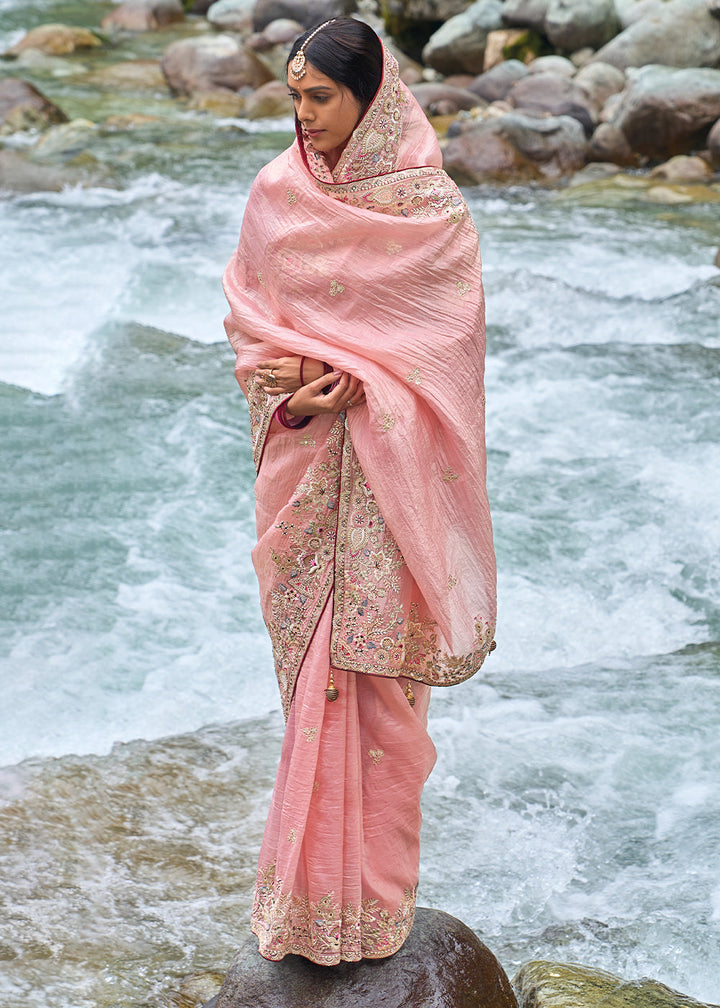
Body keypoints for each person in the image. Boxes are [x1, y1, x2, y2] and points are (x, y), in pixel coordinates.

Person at [222, 17, 496, 966]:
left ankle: (372, 913)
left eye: (320, 96)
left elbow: (447, 359)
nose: (303, 116)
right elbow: (248, 327)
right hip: (307, 473)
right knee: (316, 688)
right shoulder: (275, 194)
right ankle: (303, 909)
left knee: (374, 686)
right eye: (294, 96)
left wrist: (368, 388)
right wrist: (295, 393)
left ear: (370, 97)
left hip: (391, 487)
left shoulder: (432, 212)